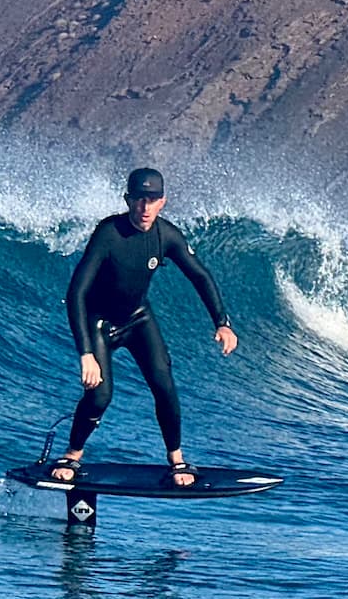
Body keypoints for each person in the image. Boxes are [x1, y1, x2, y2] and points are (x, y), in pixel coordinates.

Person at [50, 168, 237, 488]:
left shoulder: (167, 236)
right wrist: (86, 353)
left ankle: (176, 459)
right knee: (100, 395)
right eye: (139, 200)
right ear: (128, 200)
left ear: (163, 202)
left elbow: (200, 276)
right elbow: (76, 293)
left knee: (164, 384)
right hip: (99, 321)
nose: (145, 208)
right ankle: (72, 454)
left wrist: (222, 323)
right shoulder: (109, 233)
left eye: (152, 200)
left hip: (137, 318)